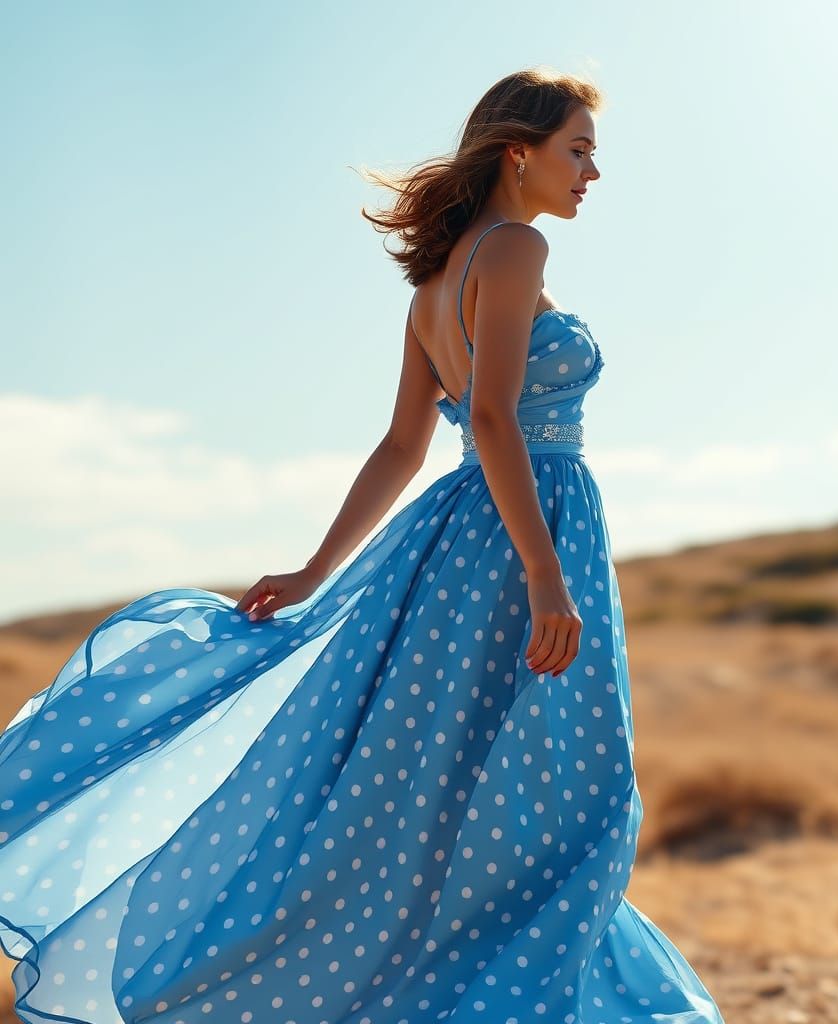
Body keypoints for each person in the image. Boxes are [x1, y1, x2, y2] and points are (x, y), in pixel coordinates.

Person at [0, 68, 726, 1024]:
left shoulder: (435, 281)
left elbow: (401, 447)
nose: (593, 172)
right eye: (578, 150)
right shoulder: (514, 248)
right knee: (562, 800)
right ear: (520, 152)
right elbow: (497, 424)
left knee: (450, 804)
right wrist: (546, 577)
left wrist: (315, 570)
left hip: (465, 545)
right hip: (519, 545)